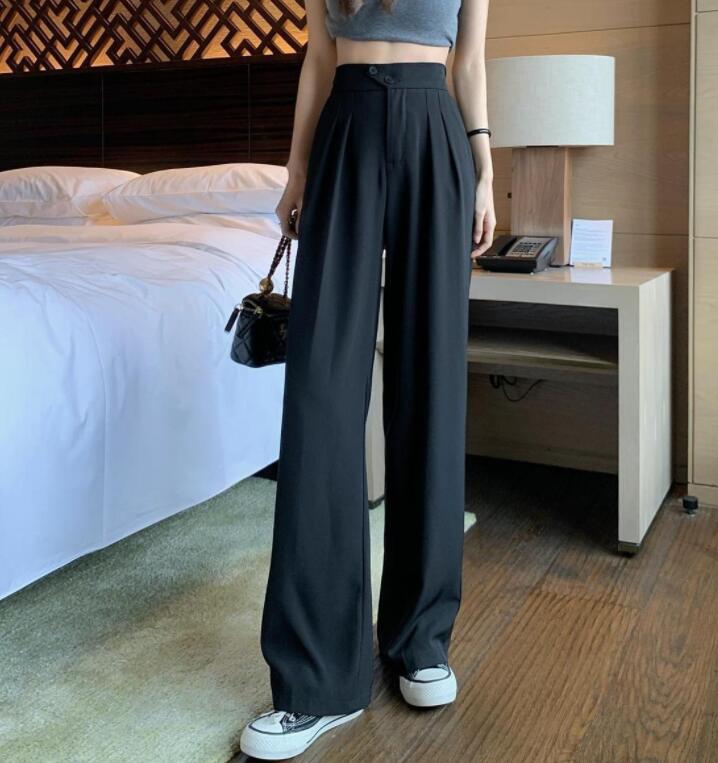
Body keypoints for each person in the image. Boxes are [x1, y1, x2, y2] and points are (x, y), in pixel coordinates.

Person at [240, 0, 494, 758]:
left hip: (435, 129)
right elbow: (319, 59)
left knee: (432, 387)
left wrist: (484, 165)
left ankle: (420, 638)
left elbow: (470, 61)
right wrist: (296, 168)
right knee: (319, 395)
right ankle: (317, 680)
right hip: (345, 129)